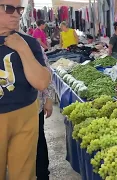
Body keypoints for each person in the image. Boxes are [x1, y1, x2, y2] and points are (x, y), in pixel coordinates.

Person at [0, 1, 51, 180]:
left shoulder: (29, 43)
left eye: (19, 9)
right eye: (9, 8)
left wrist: (22, 49)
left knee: (24, 174)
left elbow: (42, 82)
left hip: (25, 116)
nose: (16, 14)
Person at [36, 48, 54, 180]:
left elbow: (47, 72)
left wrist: (48, 99)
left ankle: (42, 174)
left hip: (34, 105)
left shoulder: (31, 44)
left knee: (38, 140)